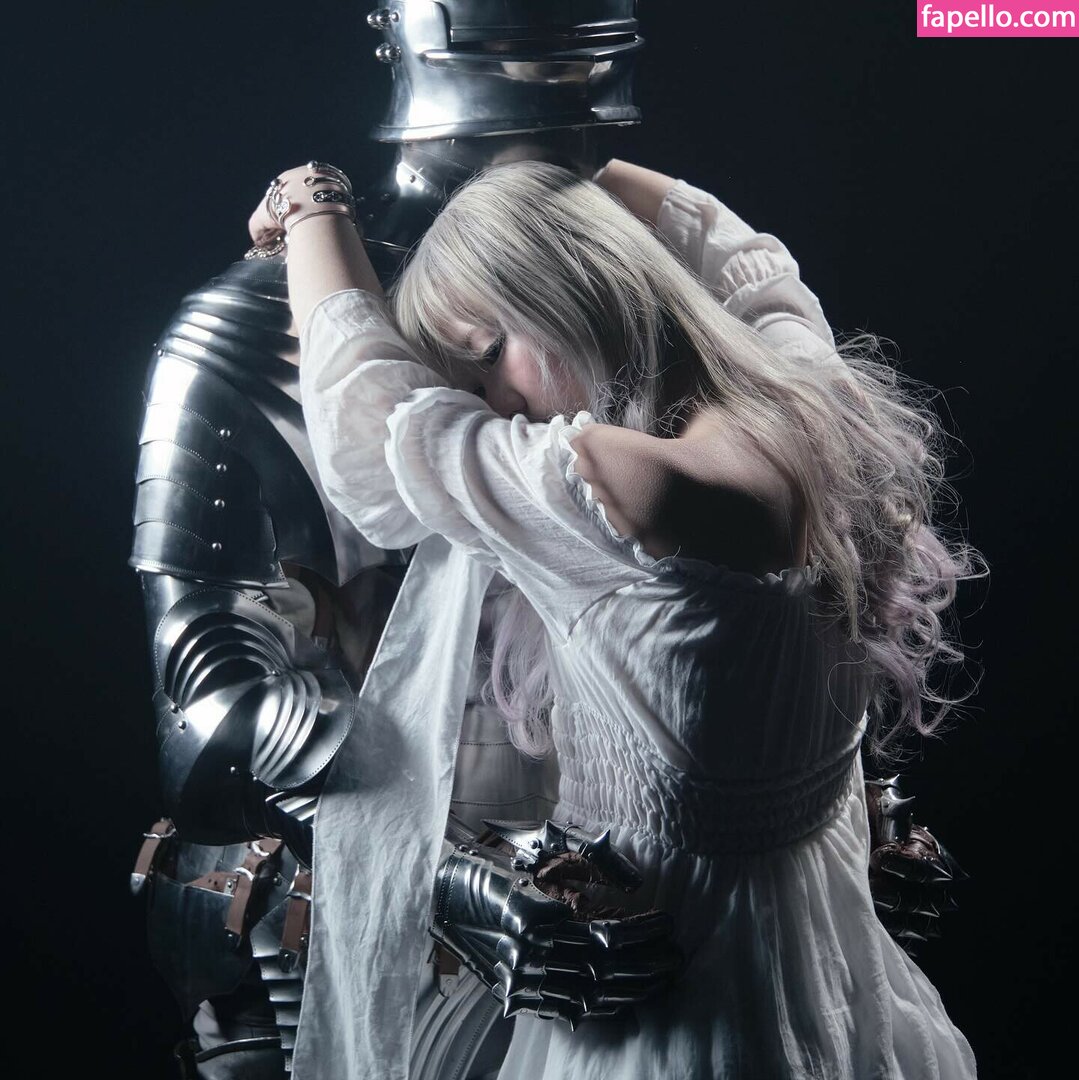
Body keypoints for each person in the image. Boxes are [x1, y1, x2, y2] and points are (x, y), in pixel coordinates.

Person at [247, 157, 979, 1078]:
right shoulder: (810, 392)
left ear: (569, 288)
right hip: (837, 980)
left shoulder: (614, 490)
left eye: (489, 355)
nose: (498, 403)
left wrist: (309, 202)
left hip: (670, 1010)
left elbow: (371, 428)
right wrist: (570, 175)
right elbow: (739, 258)